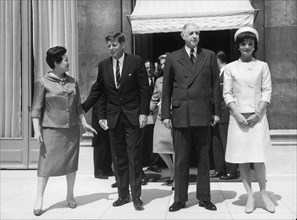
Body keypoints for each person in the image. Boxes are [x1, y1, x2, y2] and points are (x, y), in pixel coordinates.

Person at [82, 31, 150, 211]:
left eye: (114, 45)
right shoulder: (103, 65)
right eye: (109, 46)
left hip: (133, 115)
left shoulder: (136, 61)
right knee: (118, 157)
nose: (111, 49)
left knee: (134, 157)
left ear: (123, 44)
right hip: (114, 117)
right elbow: (99, 91)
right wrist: (83, 109)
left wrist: (144, 113)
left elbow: (145, 90)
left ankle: (136, 196)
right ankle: (123, 195)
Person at [161, 23, 221, 212]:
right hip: (181, 113)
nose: (195, 36)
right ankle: (179, 199)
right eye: (191, 33)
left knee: (204, 157)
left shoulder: (209, 55)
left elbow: (215, 86)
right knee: (181, 159)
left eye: (197, 33)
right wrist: (165, 115)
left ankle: (204, 197)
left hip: (203, 113)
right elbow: (166, 89)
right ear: (183, 35)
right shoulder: (172, 57)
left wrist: (217, 111)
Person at [31, 46, 97, 216]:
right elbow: (36, 109)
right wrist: (37, 131)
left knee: (71, 164)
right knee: (45, 166)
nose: (68, 62)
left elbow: (78, 107)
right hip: (51, 130)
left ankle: (70, 195)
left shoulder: (72, 81)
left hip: (71, 131)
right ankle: (39, 198)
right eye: (66, 60)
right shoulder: (42, 82)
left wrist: (84, 123)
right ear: (56, 62)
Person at [223, 26, 275, 214]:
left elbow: (267, 90)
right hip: (238, 119)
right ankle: (250, 196)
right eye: (243, 44)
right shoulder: (230, 68)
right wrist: (237, 115)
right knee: (242, 158)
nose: (247, 47)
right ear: (238, 47)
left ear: (255, 46)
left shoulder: (263, 66)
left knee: (259, 158)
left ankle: (263, 193)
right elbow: (227, 93)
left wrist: (258, 113)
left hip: (258, 119)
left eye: (250, 44)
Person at [210, 50, 239, 180]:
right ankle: (219, 169)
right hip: (216, 113)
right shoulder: (218, 74)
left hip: (226, 112)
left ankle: (232, 170)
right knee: (216, 142)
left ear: (217, 61)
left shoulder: (229, 71)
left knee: (227, 142)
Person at [150, 53, 175, 187]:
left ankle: (176, 177)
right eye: (162, 64)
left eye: (166, 62)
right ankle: (171, 169)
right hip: (160, 117)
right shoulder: (159, 80)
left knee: (175, 148)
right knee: (159, 146)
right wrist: (144, 111)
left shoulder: (178, 77)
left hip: (175, 116)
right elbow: (154, 98)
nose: (164, 66)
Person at [82, 97, 113, 179]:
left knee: (108, 142)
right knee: (100, 142)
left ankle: (107, 168)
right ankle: (99, 171)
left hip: (108, 112)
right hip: (100, 113)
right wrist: (101, 117)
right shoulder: (100, 84)